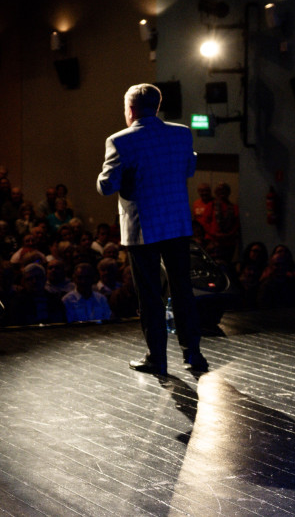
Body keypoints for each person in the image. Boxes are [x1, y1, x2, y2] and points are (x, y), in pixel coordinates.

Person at [96, 83, 208, 376]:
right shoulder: (182, 133)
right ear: (156, 107)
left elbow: (108, 186)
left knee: (149, 295)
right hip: (177, 223)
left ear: (129, 110)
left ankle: (157, 357)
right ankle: (193, 354)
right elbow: (188, 170)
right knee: (183, 289)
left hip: (142, 227)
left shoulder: (119, 140)